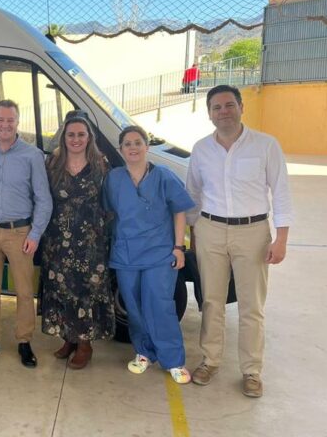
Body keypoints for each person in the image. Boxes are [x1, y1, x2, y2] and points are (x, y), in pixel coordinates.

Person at [186, 85, 292, 398]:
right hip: (211, 230)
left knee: (251, 306)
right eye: (216, 107)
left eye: (229, 105)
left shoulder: (265, 145)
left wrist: (282, 238)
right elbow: (192, 193)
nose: (223, 112)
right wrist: (195, 232)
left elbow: (282, 192)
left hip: (253, 232)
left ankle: (251, 370)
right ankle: (210, 360)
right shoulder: (201, 149)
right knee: (212, 301)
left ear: (241, 107)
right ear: (209, 114)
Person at [103, 125, 194, 384]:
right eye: (127, 144)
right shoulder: (114, 178)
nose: (133, 148)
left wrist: (178, 248)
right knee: (133, 306)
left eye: (137, 142)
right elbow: (110, 212)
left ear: (147, 146)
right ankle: (143, 352)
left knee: (160, 305)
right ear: (120, 149)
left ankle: (173, 360)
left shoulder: (163, 176)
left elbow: (180, 211)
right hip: (126, 254)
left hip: (159, 253)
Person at [0, 100, 53, 368]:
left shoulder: (32, 155)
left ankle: (24, 341)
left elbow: (44, 199)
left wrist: (35, 234)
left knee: (23, 291)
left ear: (17, 123)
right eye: (0, 120)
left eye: (10, 120)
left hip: (20, 232)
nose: (4, 125)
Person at [39, 113, 114, 369]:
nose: (76, 139)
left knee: (85, 291)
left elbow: (110, 201)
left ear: (89, 137)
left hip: (89, 241)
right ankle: (68, 338)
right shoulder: (53, 163)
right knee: (61, 288)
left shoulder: (101, 164)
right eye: (71, 134)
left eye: (81, 134)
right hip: (57, 239)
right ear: (64, 136)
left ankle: (85, 344)